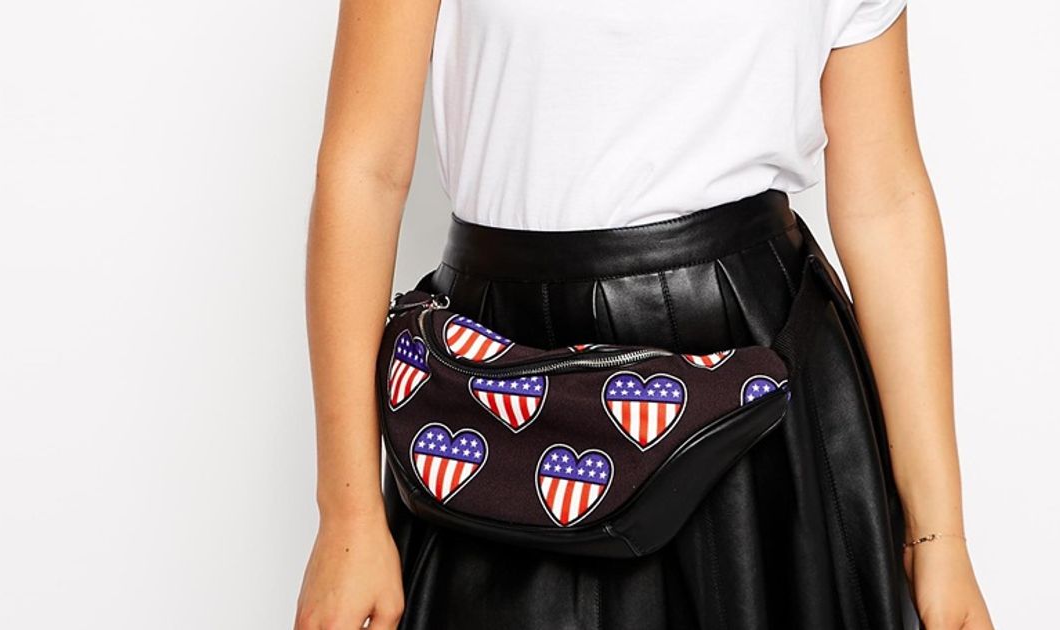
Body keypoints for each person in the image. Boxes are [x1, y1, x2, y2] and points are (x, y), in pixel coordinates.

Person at [296, 0, 993, 628]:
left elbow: (884, 200)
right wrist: (347, 517)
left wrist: (939, 535)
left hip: (755, 385)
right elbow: (365, 169)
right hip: (499, 385)